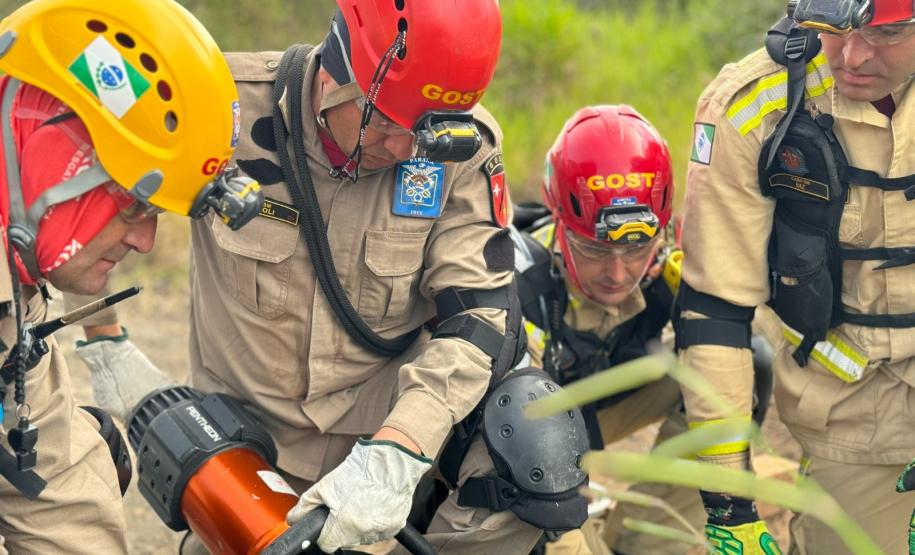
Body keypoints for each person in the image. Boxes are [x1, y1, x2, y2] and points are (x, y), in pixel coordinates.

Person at [80, 1, 590, 553]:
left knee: (534, 431)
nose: (403, 150)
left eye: (424, 137)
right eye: (385, 121)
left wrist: (399, 450)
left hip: (386, 453)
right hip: (250, 448)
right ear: (336, 72)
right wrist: (106, 341)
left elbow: (479, 320)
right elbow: (80, 175)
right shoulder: (220, 105)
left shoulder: (464, 152)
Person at [0, 0, 260, 553]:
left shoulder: (17, 286)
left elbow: (58, 500)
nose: (146, 242)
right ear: (50, 160)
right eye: (137, 206)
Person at [675, 0, 915, 552]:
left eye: (887, 34)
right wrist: (729, 503)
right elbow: (714, 311)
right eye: (832, 31)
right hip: (856, 415)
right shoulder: (755, 107)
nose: (851, 56)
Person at [511, 105, 707, 555]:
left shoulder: (668, 271)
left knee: (730, 368)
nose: (618, 274)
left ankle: (644, 541)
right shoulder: (517, 285)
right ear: (559, 224)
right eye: (594, 249)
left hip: (589, 415)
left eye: (636, 248)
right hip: (521, 445)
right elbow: (517, 445)